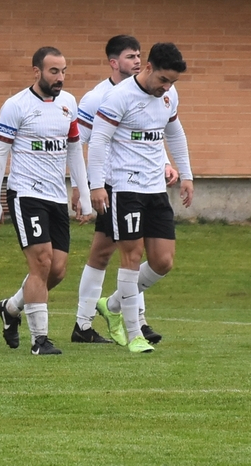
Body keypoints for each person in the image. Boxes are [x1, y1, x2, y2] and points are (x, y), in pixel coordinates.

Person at [70, 35, 178, 345]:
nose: (136, 60)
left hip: (144, 184)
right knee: (109, 252)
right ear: (114, 62)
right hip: (113, 185)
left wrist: (166, 163)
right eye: (130, 56)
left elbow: (151, 134)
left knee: (124, 250)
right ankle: (88, 323)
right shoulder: (98, 98)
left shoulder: (156, 93)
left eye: (139, 55)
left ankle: (126, 316)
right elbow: (81, 144)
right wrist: (83, 186)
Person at [88, 42, 193, 354]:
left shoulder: (169, 96)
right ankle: (135, 334)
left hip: (155, 189)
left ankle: (112, 305)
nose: (167, 87)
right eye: (163, 80)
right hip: (125, 188)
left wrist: (186, 175)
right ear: (148, 68)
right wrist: (96, 185)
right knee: (131, 257)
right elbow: (99, 140)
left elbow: (175, 133)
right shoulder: (119, 97)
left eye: (172, 82)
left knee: (163, 261)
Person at [0, 47, 93, 356]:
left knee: (56, 270)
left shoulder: (68, 103)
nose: (60, 77)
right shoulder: (16, 105)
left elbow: (74, 150)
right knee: (41, 262)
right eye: (53, 71)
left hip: (56, 196)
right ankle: (40, 341)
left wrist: (83, 193)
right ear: (37, 72)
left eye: (63, 71)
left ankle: (10, 308)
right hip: (26, 194)